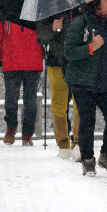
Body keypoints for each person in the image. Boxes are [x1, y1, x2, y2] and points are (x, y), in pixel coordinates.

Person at [64, 0, 107, 177]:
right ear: (96, 3)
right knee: (87, 122)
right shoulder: (80, 23)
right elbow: (69, 52)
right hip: (84, 83)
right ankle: (88, 160)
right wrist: (91, 48)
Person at [0, 16, 43, 146]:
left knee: (29, 102)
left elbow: (46, 35)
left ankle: (26, 134)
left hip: (32, 63)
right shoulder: (3, 17)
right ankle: (11, 128)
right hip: (12, 62)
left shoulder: (37, 14)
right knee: (12, 99)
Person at [36, 10, 80, 159]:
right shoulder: (51, 6)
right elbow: (40, 33)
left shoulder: (84, 3)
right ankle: (63, 144)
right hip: (56, 60)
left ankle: (78, 143)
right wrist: (52, 28)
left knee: (81, 102)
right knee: (58, 104)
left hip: (79, 60)